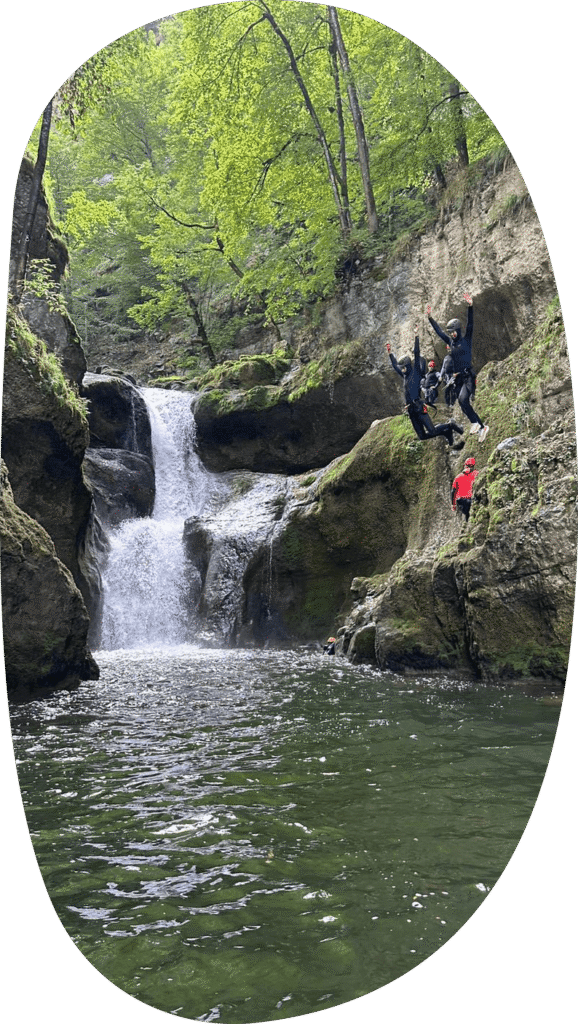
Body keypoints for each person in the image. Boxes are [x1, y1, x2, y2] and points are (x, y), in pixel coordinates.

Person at [426, 293, 489, 442]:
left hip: (468, 375)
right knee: (462, 402)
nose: (452, 334)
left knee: (463, 399)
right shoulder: (451, 342)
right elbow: (439, 332)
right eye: (450, 333)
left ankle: (476, 424)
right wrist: (430, 318)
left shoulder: (466, 339)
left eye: (453, 332)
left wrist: (470, 306)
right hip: (459, 377)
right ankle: (481, 427)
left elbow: (471, 323)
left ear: (458, 330)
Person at [387, 327, 463, 446]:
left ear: (408, 365)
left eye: (403, 367)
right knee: (422, 436)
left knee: (432, 430)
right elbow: (395, 366)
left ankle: (450, 426)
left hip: (419, 406)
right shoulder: (405, 375)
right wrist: (390, 353)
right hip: (411, 410)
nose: (402, 370)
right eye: (401, 368)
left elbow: (416, 353)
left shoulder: (415, 372)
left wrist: (416, 336)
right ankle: (446, 433)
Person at [451, 456, 479, 521]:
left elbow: (453, 491)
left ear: (465, 465)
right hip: (471, 500)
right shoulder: (476, 474)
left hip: (461, 501)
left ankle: (466, 522)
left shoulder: (458, 477)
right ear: (473, 466)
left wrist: (453, 504)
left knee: (466, 514)